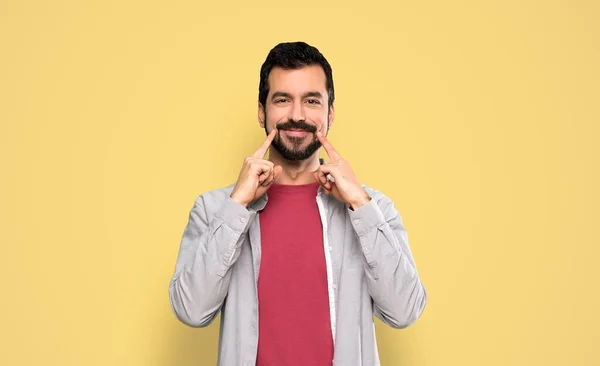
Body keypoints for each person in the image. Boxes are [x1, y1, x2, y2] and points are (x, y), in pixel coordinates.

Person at [169, 41, 427, 366]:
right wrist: (237, 204)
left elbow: (405, 311)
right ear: (262, 111)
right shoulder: (215, 209)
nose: (296, 115)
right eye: (282, 100)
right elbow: (191, 310)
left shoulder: (373, 209)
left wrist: (360, 204)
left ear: (329, 113)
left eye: (311, 101)